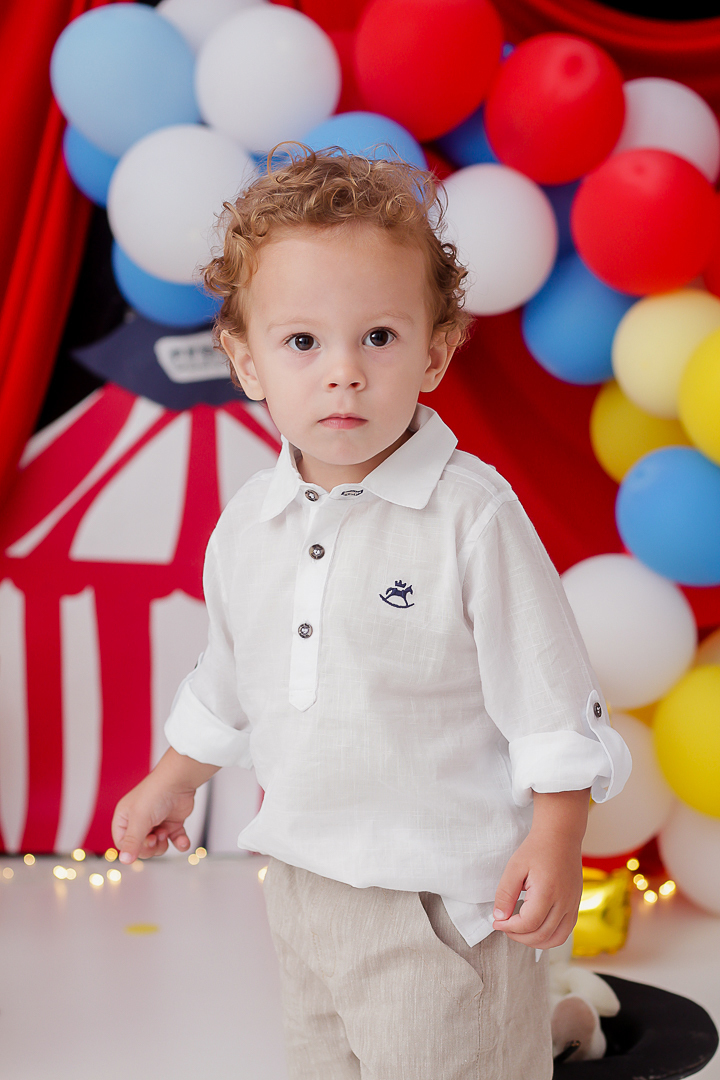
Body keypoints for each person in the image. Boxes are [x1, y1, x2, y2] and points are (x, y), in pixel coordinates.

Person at [112, 148, 631, 1079]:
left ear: (435, 351)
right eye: (302, 343)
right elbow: (231, 677)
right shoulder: (250, 525)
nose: (343, 373)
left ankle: (538, 1025)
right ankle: (555, 1023)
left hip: (446, 900)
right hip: (305, 888)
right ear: (246, 361)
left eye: (379, 337)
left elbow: (549, 697)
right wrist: (173, 778)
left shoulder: (471, 516)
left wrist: (558, 837)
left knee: (460, 1055)